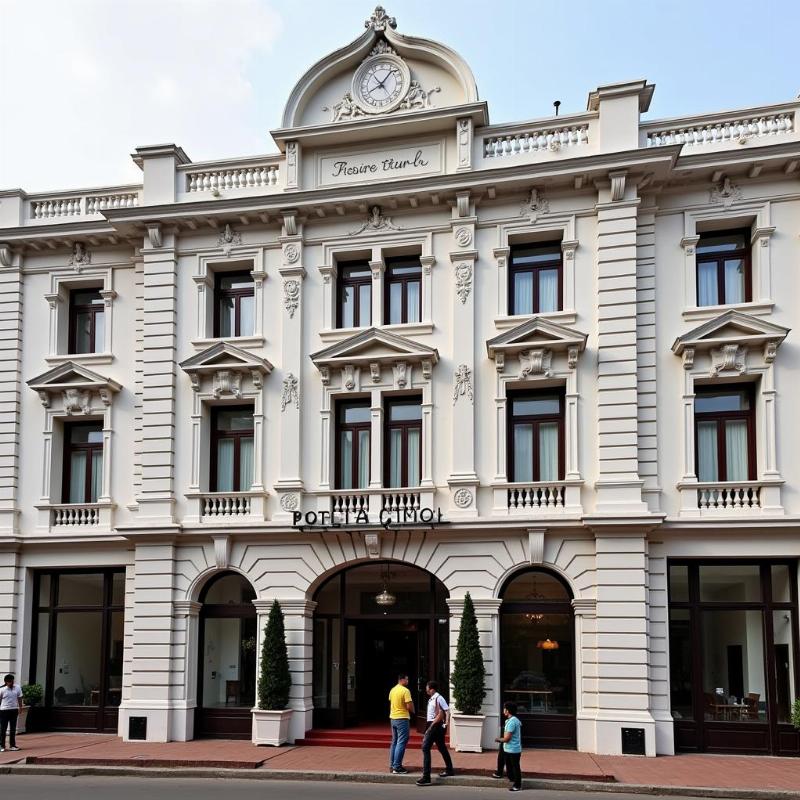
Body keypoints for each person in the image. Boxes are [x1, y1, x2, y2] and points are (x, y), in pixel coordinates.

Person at [416, 680, 454, 786]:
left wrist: (445, 724)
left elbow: (445, 711)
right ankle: (449, 769)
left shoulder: (438, 698)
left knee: (425, 747)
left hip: (435, 726)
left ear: (432, 689)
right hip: (432, 724)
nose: (426, 690)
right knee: (441, 747)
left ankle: (426, 777)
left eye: (427, 688)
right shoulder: (432, 699)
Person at [388, 673, 414, 774]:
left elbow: (391, 702)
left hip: (393, 718)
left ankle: (392, 765)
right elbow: (409, 706)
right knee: (401, 742)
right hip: (402, 718)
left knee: (394, 741)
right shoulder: (405, 691)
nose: (408, 681)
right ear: (402, 680)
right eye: (406, 679)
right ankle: (397, 766)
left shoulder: (393, 690)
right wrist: (413, 710)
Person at [495, 701, 522, 792]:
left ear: (508, 710)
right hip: (509, 749)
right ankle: (513, 779)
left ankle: (517, 785)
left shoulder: (512, 722)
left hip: (513, 749)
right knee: (510, 767)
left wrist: (498, 739)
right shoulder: (511, 720)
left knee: (515, 767)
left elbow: (507, 738)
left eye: (504, 708)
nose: (503, 710)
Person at [0, 674, 23, 753]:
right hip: (4, 711)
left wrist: (20, 707)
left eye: (12, 681)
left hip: (13, 710)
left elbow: (19, 698)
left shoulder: (17, 687)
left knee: (13, 729)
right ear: (6, 682)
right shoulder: (2, 689)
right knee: (3, 729)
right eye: (10, 682)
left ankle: (12, 745)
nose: (11, 683)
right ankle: (2, 746)